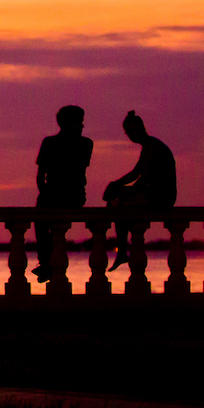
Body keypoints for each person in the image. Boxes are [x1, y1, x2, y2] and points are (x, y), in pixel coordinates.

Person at [103, 110, 177, 273]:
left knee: (118, 202)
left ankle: (122, 250)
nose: (131, 135)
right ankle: (122, 249)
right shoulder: (149, 146)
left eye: (133, 131)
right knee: (117, 199)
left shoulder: (152, 147)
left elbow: (142, 179)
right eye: (128, 133)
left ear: (141, 128)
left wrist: (123, 192)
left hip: (161, 197)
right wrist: (116, 184)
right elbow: (136, 173)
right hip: (153, 193)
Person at [34, 106, 92, 285]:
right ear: (68, 123)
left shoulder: (80, 143)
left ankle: (46, 262)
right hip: (62, 193)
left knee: (42, 222)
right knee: (41, 222)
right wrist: (45, 193)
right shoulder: (84, 143)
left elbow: (41, 175)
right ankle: (46, 262)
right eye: (79, 122)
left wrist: (45, 193)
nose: (82, 126)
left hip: (69, 194)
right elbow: (41, 175)